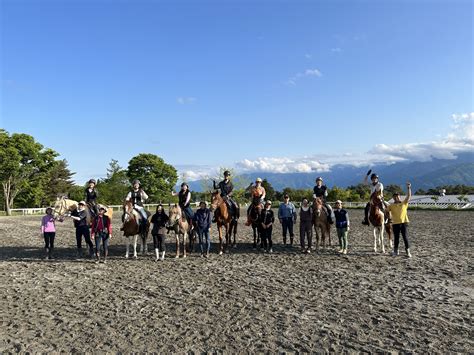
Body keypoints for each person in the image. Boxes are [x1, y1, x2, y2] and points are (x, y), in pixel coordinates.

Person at [388, 182, 412, 258]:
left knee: (405, 237)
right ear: (393, 198)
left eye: (397, 196)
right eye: (394, 197)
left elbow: (409, 196)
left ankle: (408, 251)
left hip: (404, 223)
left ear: (399, 197)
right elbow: (386, 210)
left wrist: (408, 188)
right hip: (395, 224)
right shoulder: (391, 205)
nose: (396, 198)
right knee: (396, 238)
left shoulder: (404, 203)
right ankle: (396, 251)